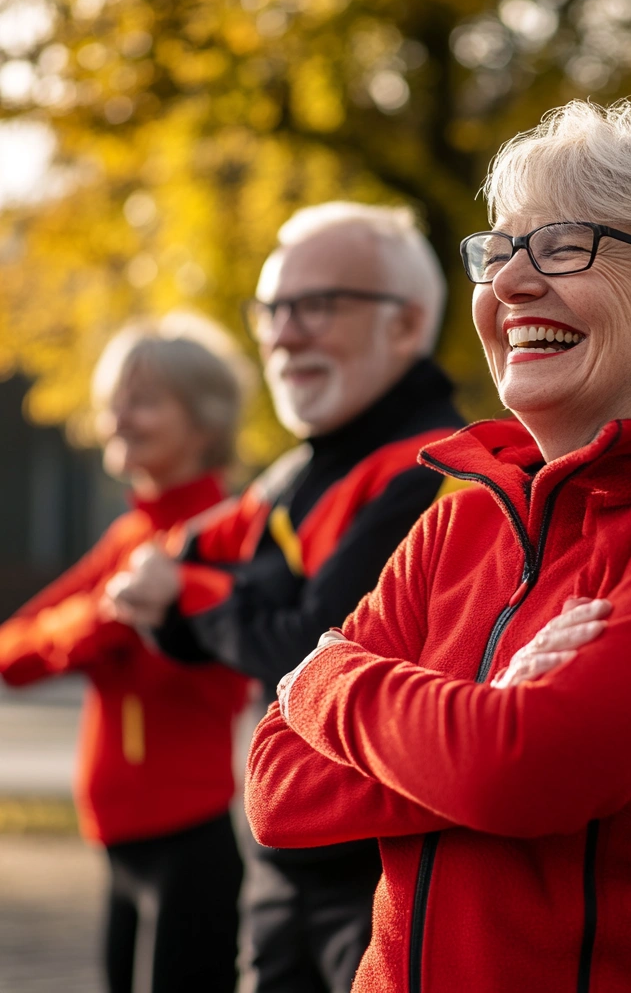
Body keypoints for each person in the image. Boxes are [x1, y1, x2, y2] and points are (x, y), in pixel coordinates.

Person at [244, 99, 631, 993]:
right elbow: (275, 791)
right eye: (503, 249)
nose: (513, 283)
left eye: (568, 246)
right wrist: (476, 715)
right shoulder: (461, 520)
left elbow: (524, 775)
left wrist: (322, 677)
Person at [104, 202, 465, 993]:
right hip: (281, 865)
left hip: (382, 885)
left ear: (405, 326)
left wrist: (201, 596)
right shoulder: (300, 471)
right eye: (271, 309)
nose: (281, 333)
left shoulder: (433, 469)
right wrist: (222, 599)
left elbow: (304, 649)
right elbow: (171, 582)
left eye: (315, 306)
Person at [0, 314, 252, 993]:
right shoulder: (130, 539)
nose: (116, 418)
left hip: (188, 839)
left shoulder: (230, 534)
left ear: (203, 421)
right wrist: (100, 620)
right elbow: (13, 652)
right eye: (113, 399)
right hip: (117, 842)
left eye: (141, 400)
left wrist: (128, 618)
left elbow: (221, 670)